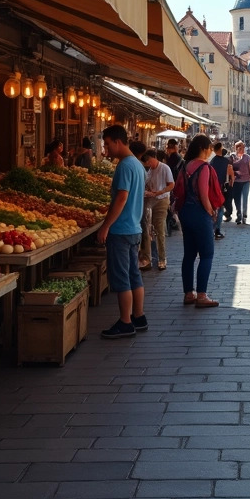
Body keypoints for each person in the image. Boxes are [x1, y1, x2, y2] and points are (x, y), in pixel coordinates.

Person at [96, 125, 148, 339]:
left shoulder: (125, 166)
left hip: (121, 229)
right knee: (134, 275)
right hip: (134, 227)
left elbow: (122, 197)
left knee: (121, 277)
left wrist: (106, 225)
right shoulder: (137, 164)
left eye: (107, 144)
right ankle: (139, 316)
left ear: (118, 141)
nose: (106, 148)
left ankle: (125, 322)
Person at [178, 134, 220, 307]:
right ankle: (202, 295)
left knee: (189, 254)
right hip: (199, 212)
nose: (211, 151)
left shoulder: (185, 166)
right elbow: (203, 193)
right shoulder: (204, 167)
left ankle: (189, 293)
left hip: (185, 212)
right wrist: (211, 212)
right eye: (209, 148)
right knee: (207, 254)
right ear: (203, 148)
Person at [142, 149, 173, 271]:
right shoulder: (149, 171)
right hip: (150, 200)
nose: (149, 163)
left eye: (150, 160)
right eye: (147, 162)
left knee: (159, 229)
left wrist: (159, 192)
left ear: (154, 157)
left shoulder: (164, 168)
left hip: (161, 200)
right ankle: (147, 259)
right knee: (147, 229)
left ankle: (162, 258)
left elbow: (171, 185)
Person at [209, 142, 234, 239]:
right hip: (221, 188)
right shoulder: (225, 161)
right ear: (220, 149)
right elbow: (230, 175)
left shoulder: (212, 161)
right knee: (220, 209)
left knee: (214, 209)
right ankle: (216, 230)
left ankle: (212, 229)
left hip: (212, 188)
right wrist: (231, 184)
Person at [228, 141, 250, 225]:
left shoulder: (247, 157)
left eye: (243, 147)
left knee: (245, 198)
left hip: (246, 181)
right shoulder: (232, 157)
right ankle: (239, 213)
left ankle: (244, 215)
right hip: (236, 181)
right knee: (237, 199)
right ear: (236, 148)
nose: (242, 149)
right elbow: (229, 168)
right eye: (240, 148)